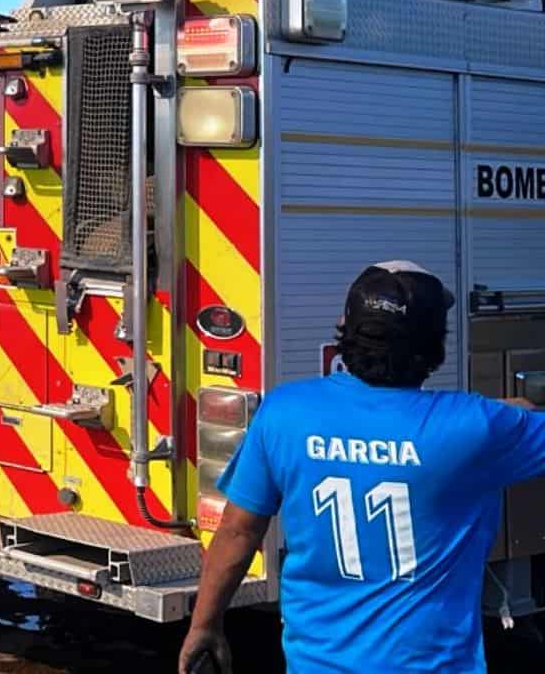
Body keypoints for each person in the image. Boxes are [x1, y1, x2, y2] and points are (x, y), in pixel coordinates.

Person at [180, 259, 545, 673]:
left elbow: (238, 530)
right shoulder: (476, 428)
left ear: (344, 329)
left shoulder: (285, 412)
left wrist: (204, 625)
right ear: (434, 346)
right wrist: (511, 410)